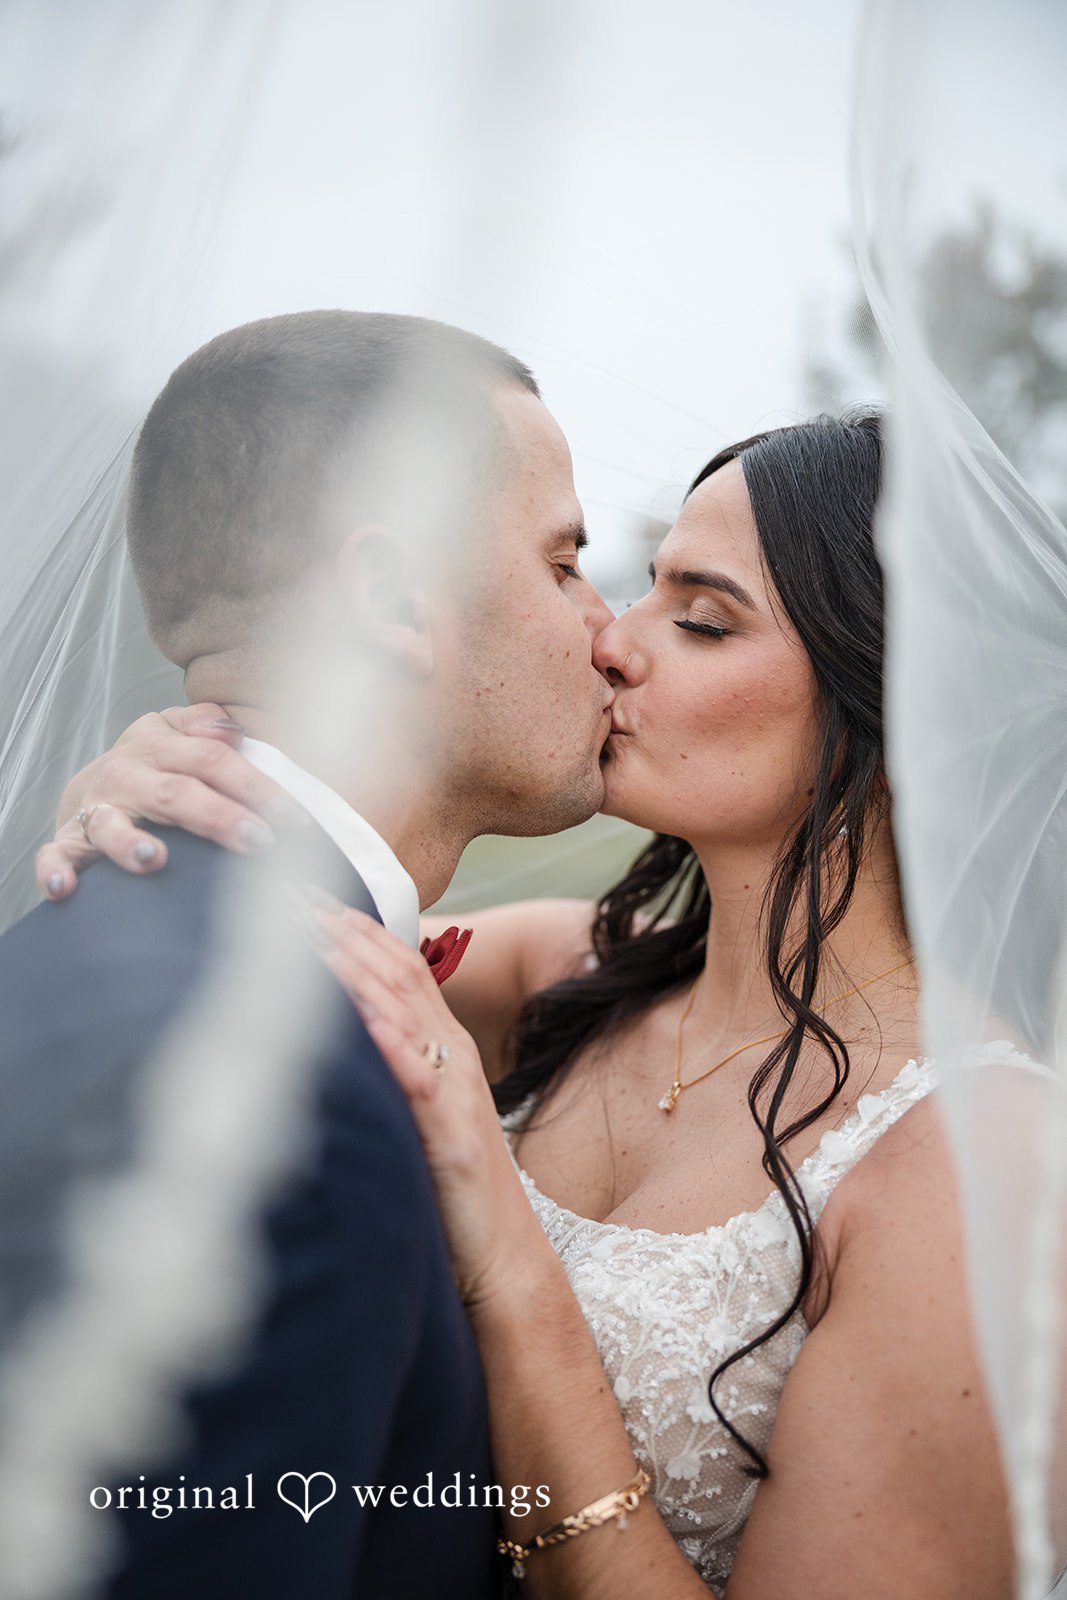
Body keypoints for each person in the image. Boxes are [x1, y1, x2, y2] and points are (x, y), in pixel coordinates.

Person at [46, 410, 1056, 1596]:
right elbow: (280, 926)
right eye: (631, 590)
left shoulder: (990, 1167)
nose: (610, 642)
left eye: (699, 619)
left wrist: (506, 1249)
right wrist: (164, 786)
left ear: (899, 713)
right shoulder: (562, 971)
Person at [0, 308, 618, 1599]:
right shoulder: (282, 1106)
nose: (607, 632)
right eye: (563, 565)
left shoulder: (61, 942)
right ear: (393, 595)